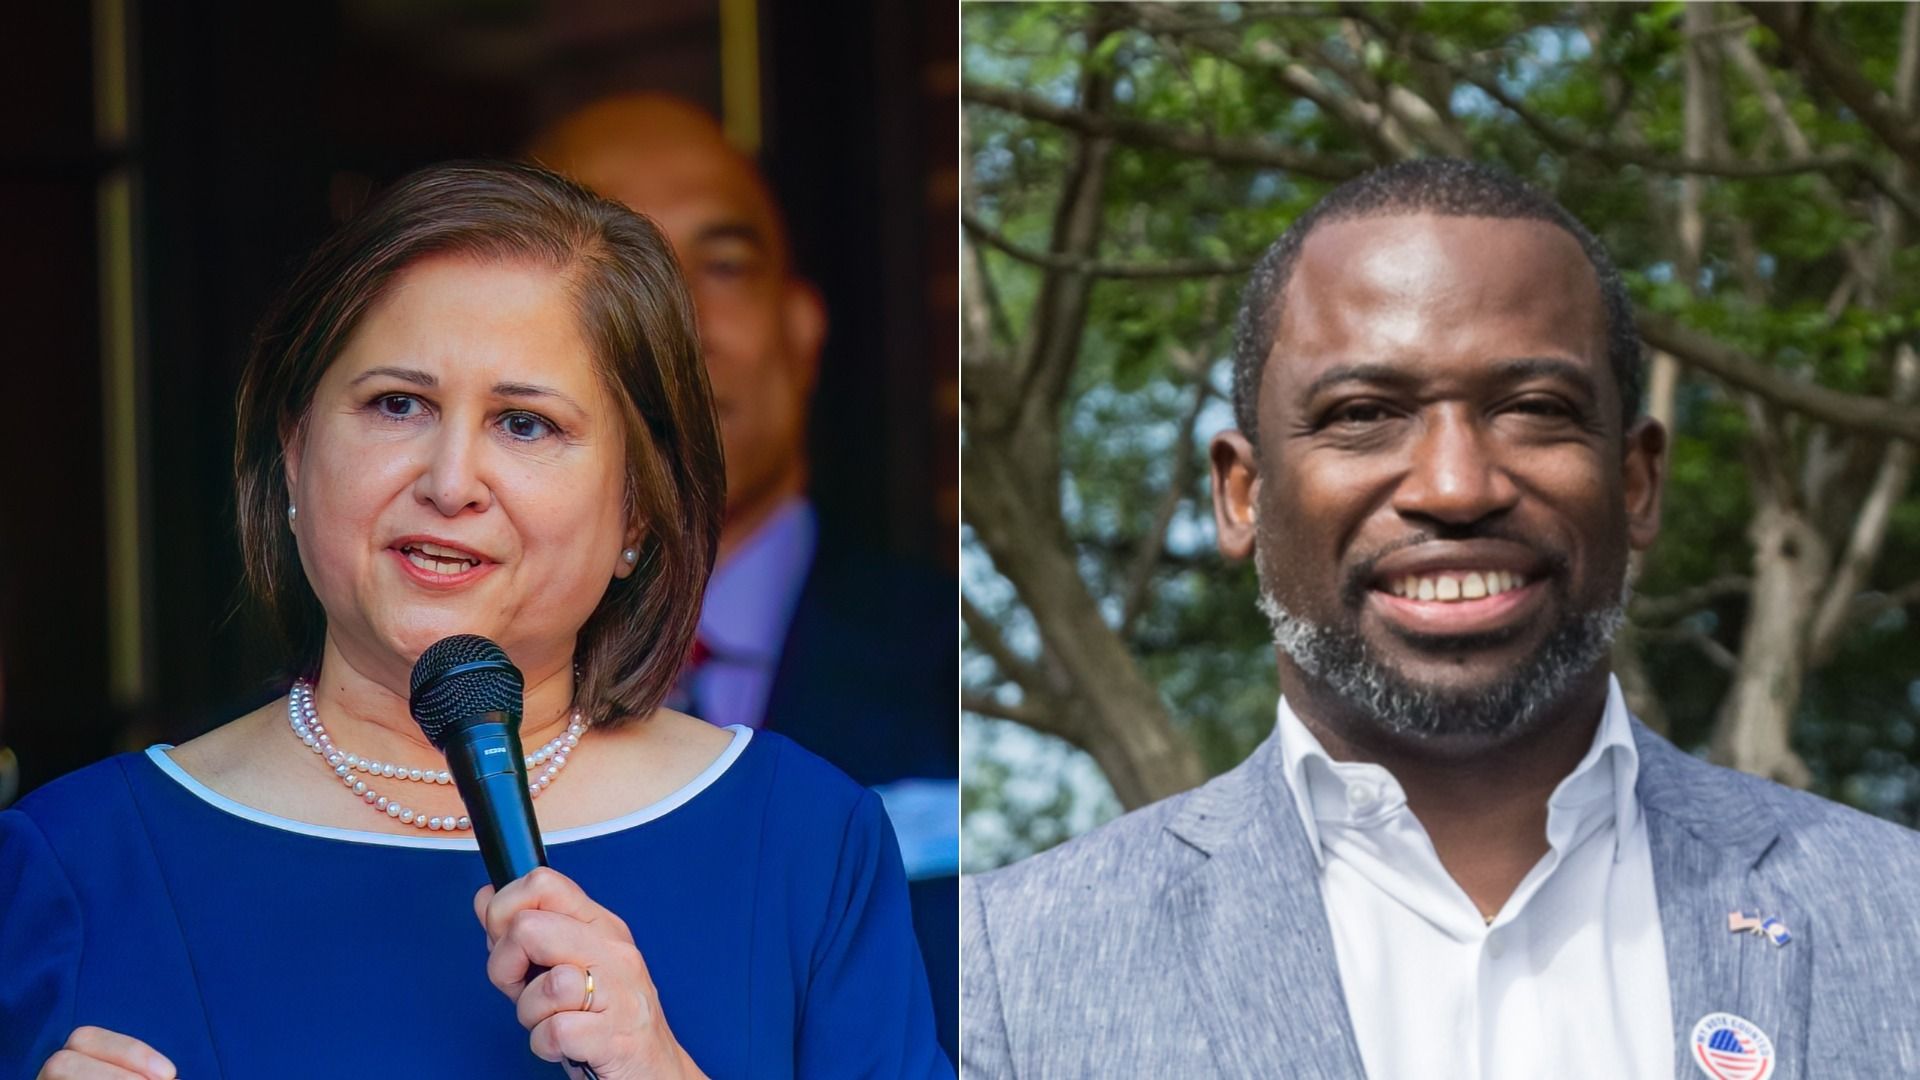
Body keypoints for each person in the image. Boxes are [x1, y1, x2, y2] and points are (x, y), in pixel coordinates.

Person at [960, 159, 1920, 1079]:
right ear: (1243, 496)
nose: (1457, 488)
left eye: (1534, 408)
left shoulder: (1895, 916)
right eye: (1364, 413)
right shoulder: (998, 973)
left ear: (1635, 482)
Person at [0, 162, 949, 1079]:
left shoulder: (802, 841)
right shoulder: (78, 863)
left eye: (525, 424)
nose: (450, 483)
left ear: (639, 509)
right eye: (397, 405)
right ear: (294, 456)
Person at [529, 94, 959, 1057]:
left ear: (803, 330)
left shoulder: (974, 675)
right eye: (612, 264)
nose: (675, 314)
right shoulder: (381, 721)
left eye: (721, 263)